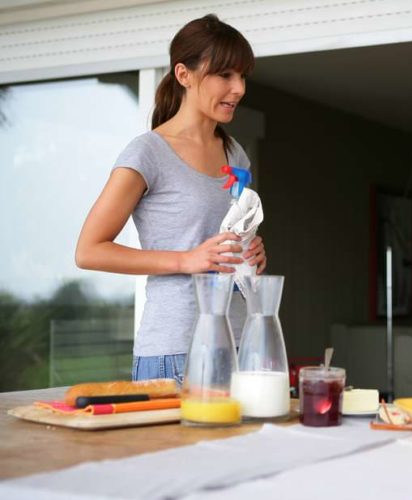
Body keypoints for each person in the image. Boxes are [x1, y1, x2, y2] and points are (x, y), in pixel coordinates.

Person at [75, 14, 266, 383]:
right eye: (225, 75)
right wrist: (186, 259)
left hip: (241, 340)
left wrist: (251, 250)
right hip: (177, 349)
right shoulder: (148, 153)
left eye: (242, 76)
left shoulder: (235, 154)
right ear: (184, 75)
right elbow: (88, 250)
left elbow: (226, 236)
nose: (239, 88)